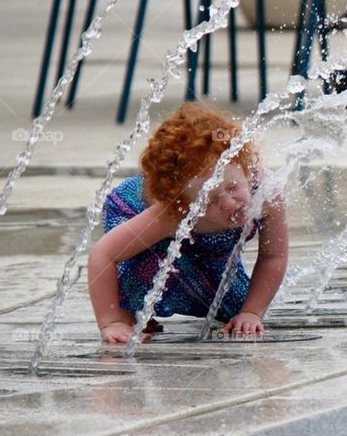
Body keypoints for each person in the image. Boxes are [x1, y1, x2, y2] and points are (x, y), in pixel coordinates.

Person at [88, 103, 288, 344]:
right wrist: (112, 321)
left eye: (233, 187)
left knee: (232, 305)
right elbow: (104, 254)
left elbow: (273, 257)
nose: (229, 203)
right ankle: (133, 312)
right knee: (151, 273)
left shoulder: (267, 194)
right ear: (182, 203)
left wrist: (252, 312)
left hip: (206, 243)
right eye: (210, 200)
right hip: (135, 216)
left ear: (245, 167)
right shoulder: (170, 214)